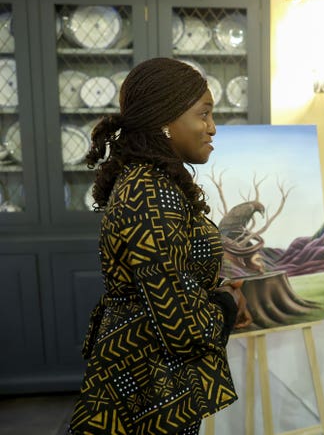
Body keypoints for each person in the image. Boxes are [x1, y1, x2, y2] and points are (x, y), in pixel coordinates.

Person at [68, 58, 247, 435]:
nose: (212, 128)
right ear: (166, 121)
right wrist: (226, 305)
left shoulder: (152, 182)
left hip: (152, 375)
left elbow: (169, 281)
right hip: (148, 385)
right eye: (204, 114)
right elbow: (180, 324)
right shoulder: (150, 193)